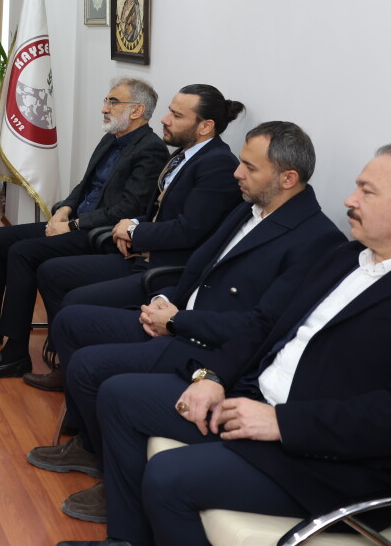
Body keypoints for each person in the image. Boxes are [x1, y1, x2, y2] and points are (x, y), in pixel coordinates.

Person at [58, 144, 391, 546]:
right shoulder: (346, 257)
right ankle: (125, 539)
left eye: (367, 191)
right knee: (119, 396)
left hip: (328, 460)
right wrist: (214, 377)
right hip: (253, 401)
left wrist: (281, 422)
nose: (349, 199)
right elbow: (265, 324)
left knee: (168, 476)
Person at [28, 122, 345, 524]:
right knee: (71, 320)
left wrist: (179, 322)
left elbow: (259, 329)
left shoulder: (316, 240)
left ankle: (114, 479)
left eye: (250, 167)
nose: (237, 172)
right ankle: (92, 447)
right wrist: (165, 302)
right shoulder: (250, 207)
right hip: (178, 318)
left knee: (91, 369)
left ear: (287, 178)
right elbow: (199, 268)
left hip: (205, 346)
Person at [0, 78, 169, 379]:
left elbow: (127, 209)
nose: (104, 108)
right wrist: (63, 209)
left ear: (137, 110)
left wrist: (72, 225)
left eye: (113, 102)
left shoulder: (151, 150)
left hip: (100, 235)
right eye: (106, 100)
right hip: (76, 222)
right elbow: (85, 185)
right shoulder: (111, 139)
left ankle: (14, 354)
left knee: (23, 253)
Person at [23, 84, 245, 391]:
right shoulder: (185, 155)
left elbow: (188, 230)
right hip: (141, 254)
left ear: (205, 126)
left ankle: (79, 376)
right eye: (169, 111)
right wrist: (132, 224)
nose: (164, 119)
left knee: (75, 300)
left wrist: (133, 231)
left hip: (165, 269)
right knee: (51, 272)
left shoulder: (217, 164)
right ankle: (68, 364)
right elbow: (159, 211)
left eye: (176, 115)